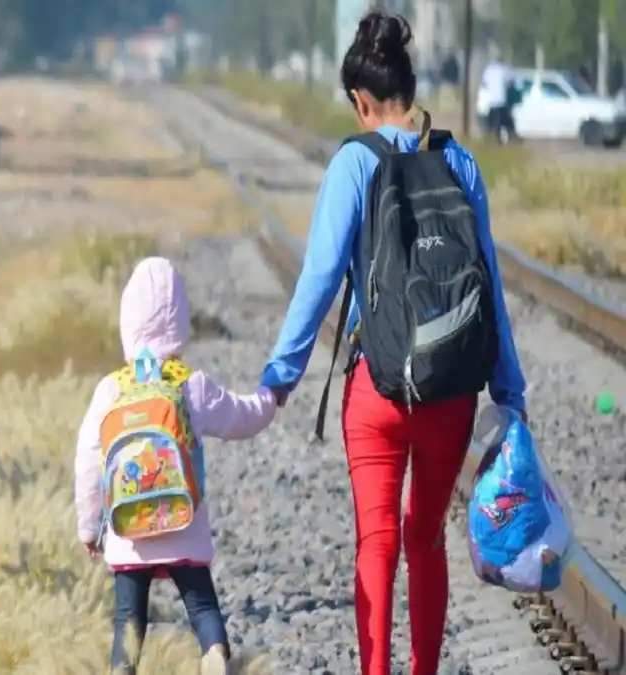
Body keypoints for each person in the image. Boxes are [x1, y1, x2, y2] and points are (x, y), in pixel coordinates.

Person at [259, 12, 527, 675]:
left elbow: (320, 277)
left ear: (360, 100)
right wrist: (508, 390)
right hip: (451, 393)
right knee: (425, 538)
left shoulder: (354, 161)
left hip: (376, 389)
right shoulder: (458, 158)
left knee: (375, 542)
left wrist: (281, 373)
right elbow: (487, 283)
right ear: (410, 87)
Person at [74, 257, 277, 675]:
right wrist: (270, 397)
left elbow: (88, 460)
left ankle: (122, 669)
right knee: (201, 603)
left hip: (128, 529)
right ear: (181, 322)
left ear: (127, 321)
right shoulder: (190, 383)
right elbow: (242, 418)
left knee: (127, 621)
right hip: (182, 524)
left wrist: (88, 525)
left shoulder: (111, 389)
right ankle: (214, 652)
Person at [480, 46, 520, 144]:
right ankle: (509, 140)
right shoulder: (503, 69)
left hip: (492, 102)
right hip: (501, 100)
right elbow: (511, 82)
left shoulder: (488, 70)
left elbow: (484, 84)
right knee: (507, 123)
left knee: (493, 125)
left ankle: (495, 140)